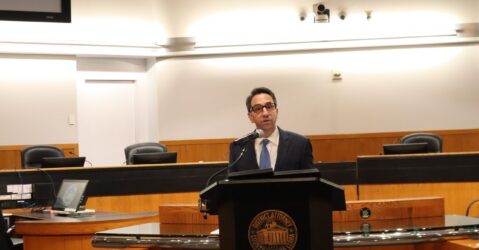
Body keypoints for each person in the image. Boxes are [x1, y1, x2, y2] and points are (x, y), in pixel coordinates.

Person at [229, 87, 314, 172]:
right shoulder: (237, 147)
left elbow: (310, 182)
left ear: (276, 111)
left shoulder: (300, 144)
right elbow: (231, 183)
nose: (265, 113)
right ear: (251, 117)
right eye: (258, 108)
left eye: (269, 106)